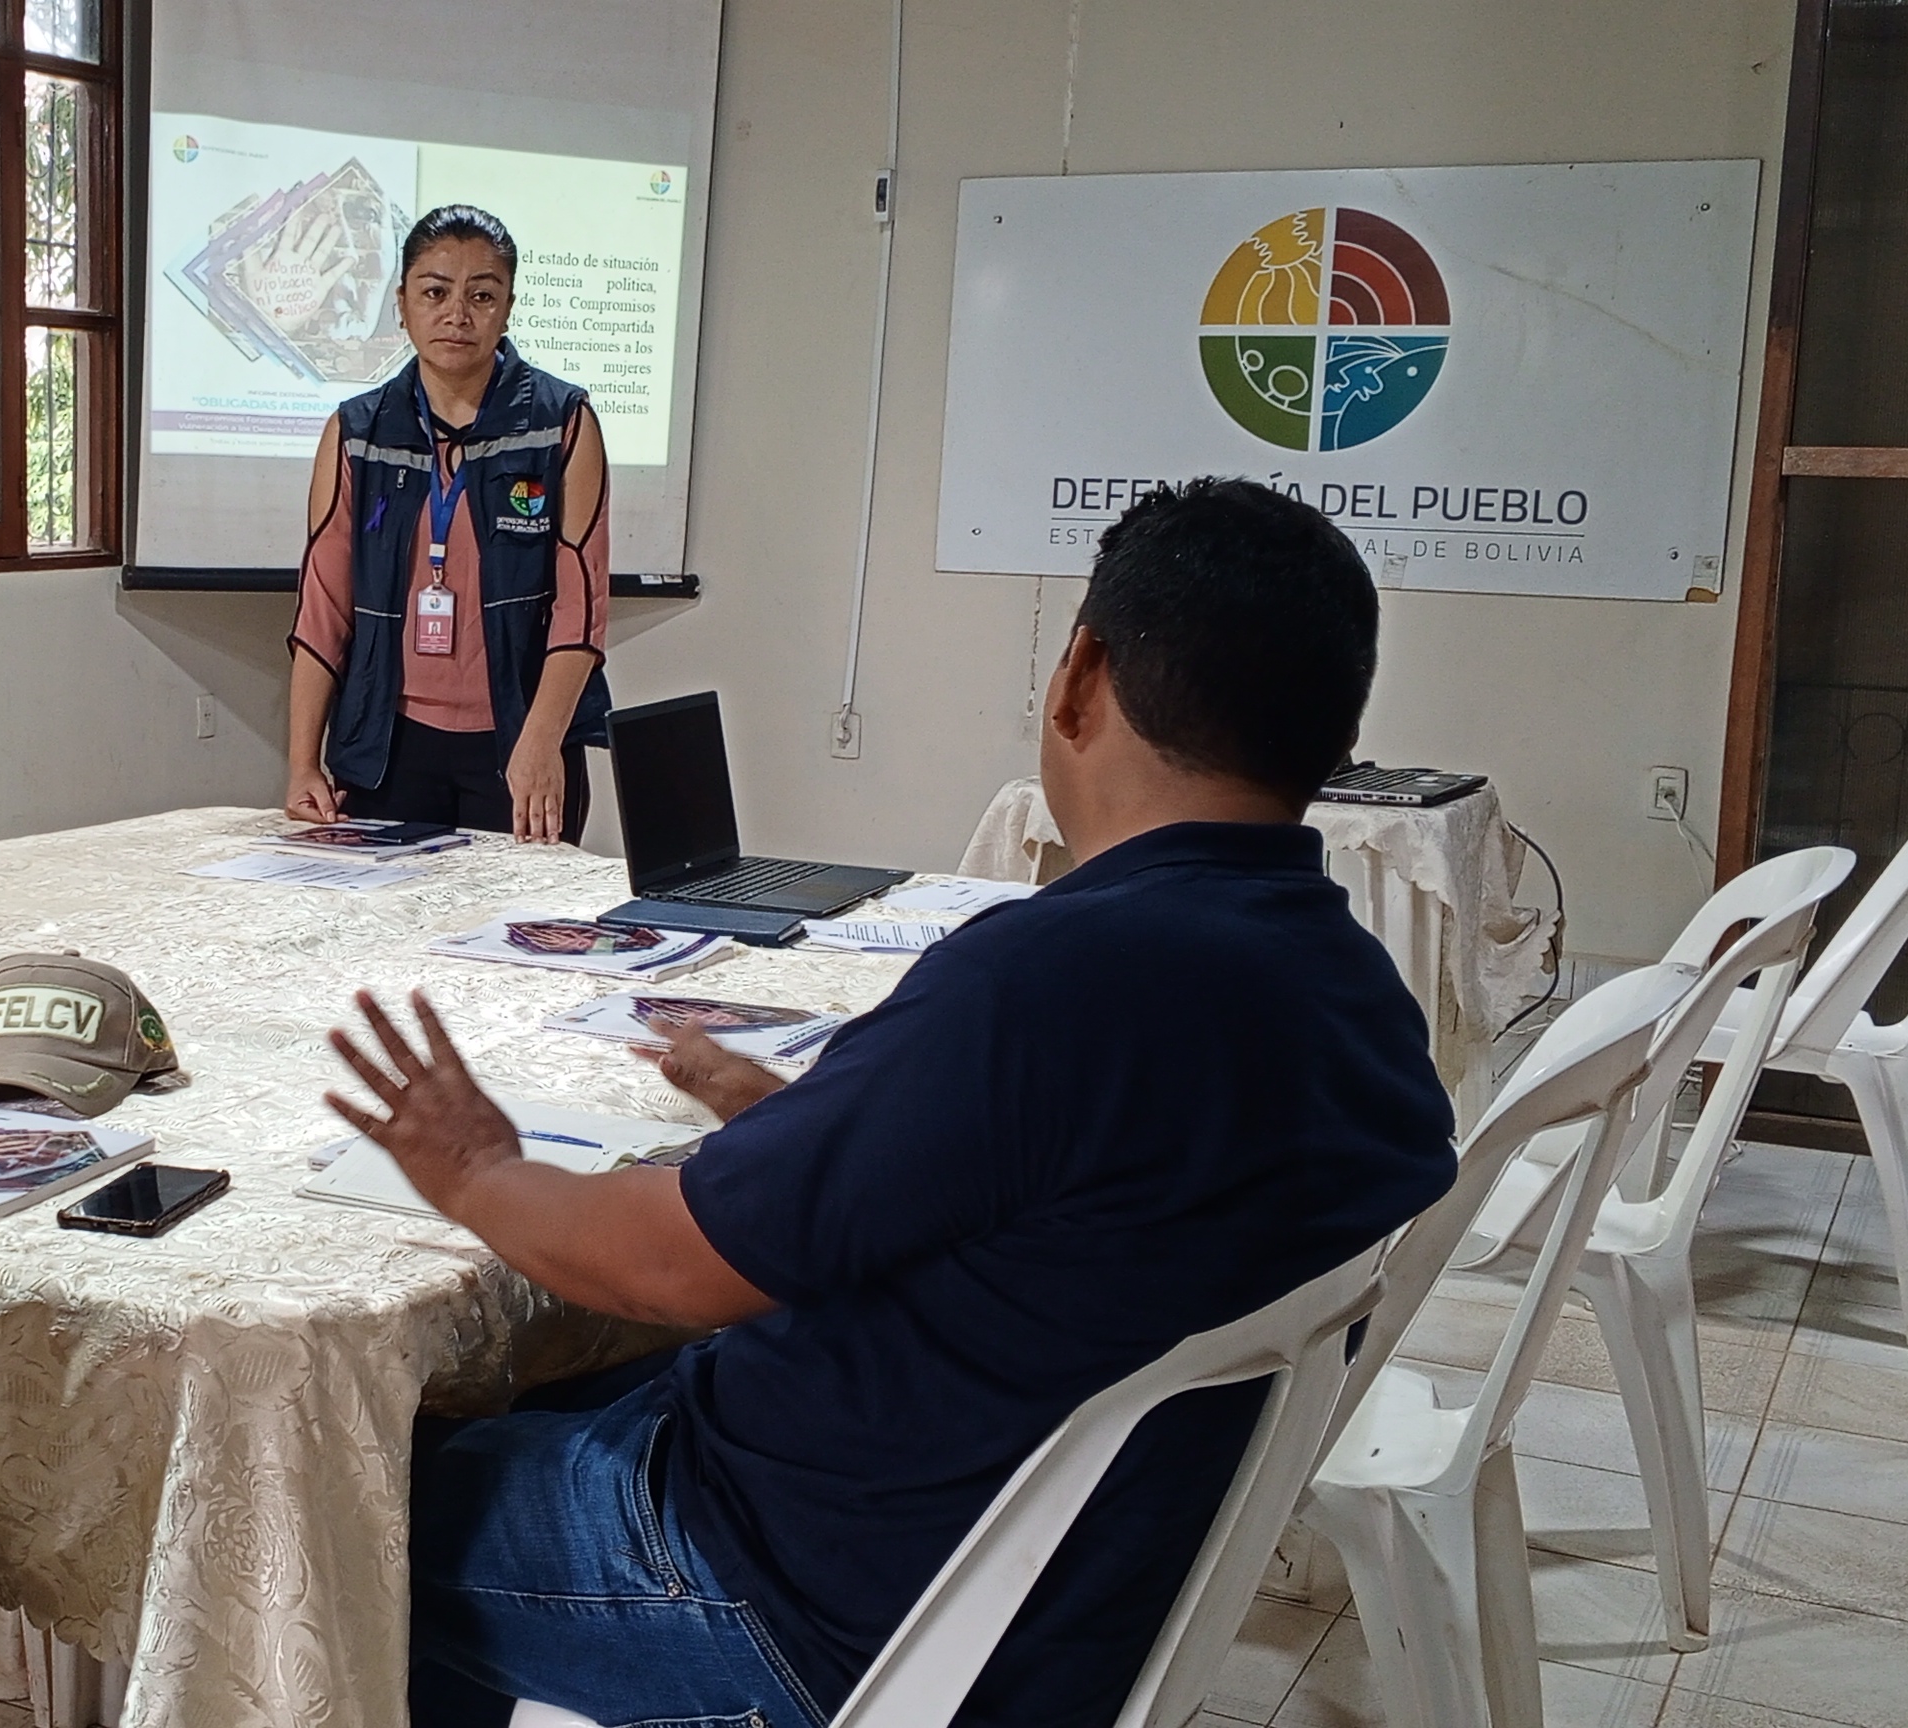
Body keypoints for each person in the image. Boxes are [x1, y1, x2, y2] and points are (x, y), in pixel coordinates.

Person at [326, 479, 1459, 1727]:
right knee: (525, 1402)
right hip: (1064, 1592)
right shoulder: (1352, 990)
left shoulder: (1051, 979)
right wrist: (789, 1123)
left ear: (1078, 675)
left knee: (342, 1505)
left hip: (808, 1601)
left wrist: (473, 1166)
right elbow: (1054, 1220)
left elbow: (668, 1273)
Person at [285, 204, 611, 844]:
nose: (457, 314)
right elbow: (323, 610)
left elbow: (582, 610)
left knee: (519, 935)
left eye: (482, 295)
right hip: (387, 749)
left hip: (519, 745)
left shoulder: (562, 421)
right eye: (435, 292)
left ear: (508, 307)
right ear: (402, 302)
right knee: (380, 937)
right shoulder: (356, 431)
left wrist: (541, 745)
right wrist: (301, 761)